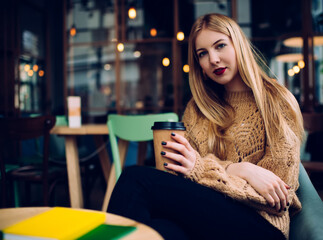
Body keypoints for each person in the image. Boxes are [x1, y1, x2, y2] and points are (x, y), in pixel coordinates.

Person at [107, 13, 304, 240]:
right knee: (161, 231)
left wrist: (202, 169)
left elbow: (278, 199)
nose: (213, 59)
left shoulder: (276, 100)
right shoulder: (197, 110)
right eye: (203, 54)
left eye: (220, 46)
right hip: (209, 222)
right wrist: (239, 169)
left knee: (135, 179)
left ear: (238, 44)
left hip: (262, 226)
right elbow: (185, 179)